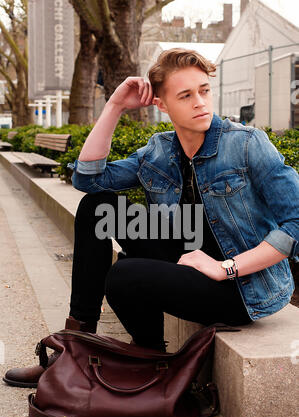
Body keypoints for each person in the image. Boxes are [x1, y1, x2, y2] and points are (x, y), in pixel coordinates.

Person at [4, 48, 299, 388]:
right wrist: (114, 106)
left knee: (124, 275)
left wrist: (225, 267)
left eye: (204, 90)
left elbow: (295, 223)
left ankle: (149, 358)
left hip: (241, 286)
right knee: (98, 207)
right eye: (185, 95)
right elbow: (87, 179)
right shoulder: (159, 150)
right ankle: (75, 348)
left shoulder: (247, 144)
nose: (200, 102)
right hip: (190, 259)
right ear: (162, 105)